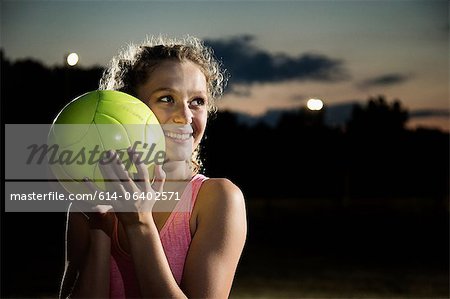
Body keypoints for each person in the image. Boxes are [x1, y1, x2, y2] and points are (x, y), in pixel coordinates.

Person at [59, 35, 247, 298]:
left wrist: (139, 225)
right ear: (129, 108)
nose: (185, 116)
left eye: (197, 101)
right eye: (167, 99)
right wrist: (100, 228)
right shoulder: (90, 196)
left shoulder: (218, 199)